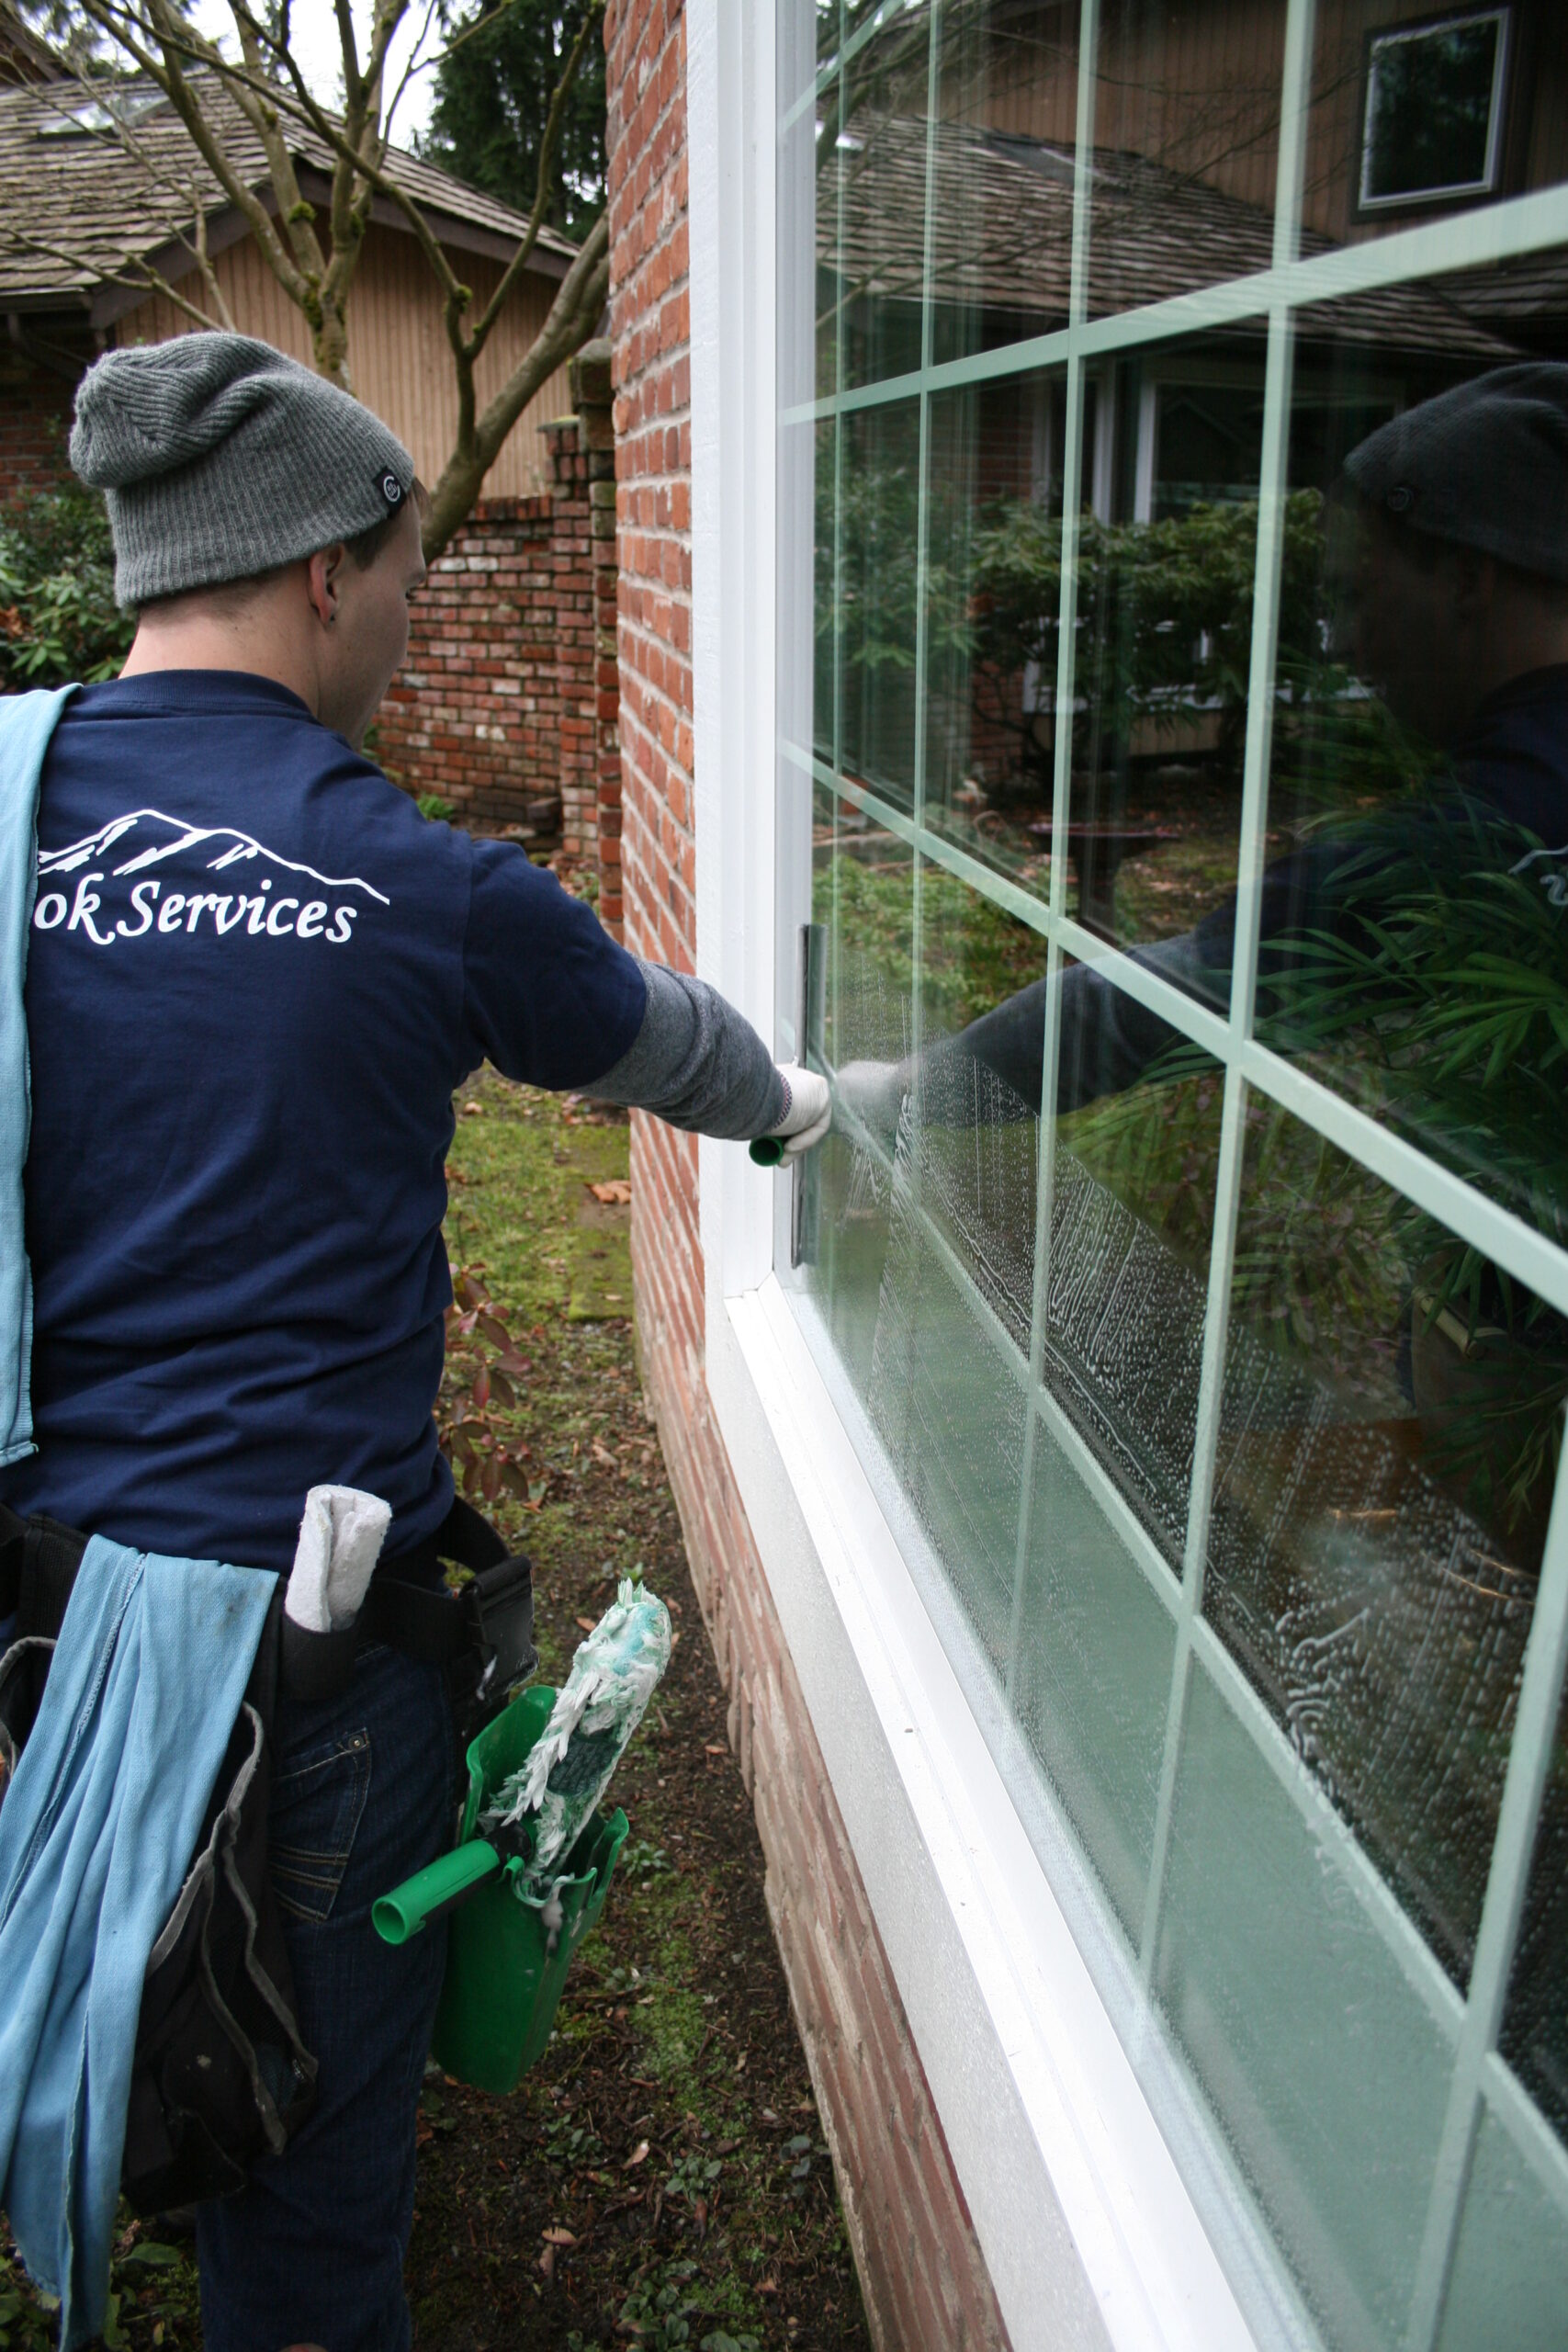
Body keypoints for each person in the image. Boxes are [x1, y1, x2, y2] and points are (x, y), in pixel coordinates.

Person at [0, 333, 828, 2352]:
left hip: (20, 1616)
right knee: (305, 2196)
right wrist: (804, 1104)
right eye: (406, 574)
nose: (404, 616)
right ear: (322, 575)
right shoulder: (423, 882)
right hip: (298, 1684)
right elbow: (675, 1045)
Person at [838, 361, 1568, 1130]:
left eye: (1356, 593)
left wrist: (902, 1095)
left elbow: (1163, 1001)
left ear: (1465, 580)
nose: (1342, 645)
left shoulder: (1478, 845)